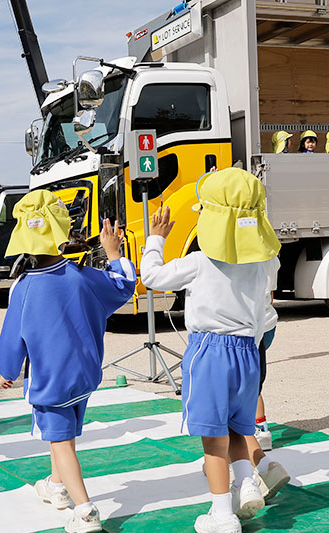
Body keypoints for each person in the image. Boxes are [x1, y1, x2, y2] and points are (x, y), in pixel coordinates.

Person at [140, 168, 282, 533]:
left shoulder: (199, 263)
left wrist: (155, 239)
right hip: (248, 353)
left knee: (213, 442)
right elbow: (267, 253)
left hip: (210, 353)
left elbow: (152, 277)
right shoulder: (264, 262)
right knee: (238, 429)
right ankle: (247, 484)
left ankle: (222, 516)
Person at [0, 190, 135, 533]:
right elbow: (124, 285)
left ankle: (85, 511)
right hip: (85, 374)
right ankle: (57, 487)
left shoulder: (23, 288)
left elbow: (13, 341)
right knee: (65, 435)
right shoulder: (82, 275)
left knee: (60, 440)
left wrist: (8, 371)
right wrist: (114, 253)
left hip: (50, 381)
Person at [244, 257, 290, 502]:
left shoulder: (230, 252)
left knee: (228, 407)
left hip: (238, 330)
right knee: (252, 384)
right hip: (265, 321)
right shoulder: (270, 254)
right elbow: (270, 294)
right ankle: (260, 431)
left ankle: (250, 473)